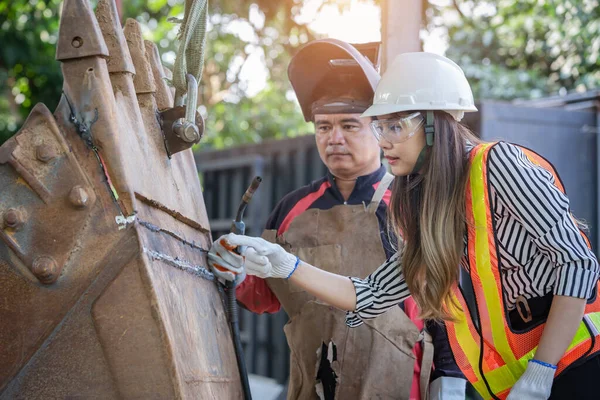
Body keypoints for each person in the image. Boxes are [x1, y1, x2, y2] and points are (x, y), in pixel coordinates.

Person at [209, 52, 600, 400]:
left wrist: (543, 369)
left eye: (395, 127)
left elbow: (578, 264)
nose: (384, 141)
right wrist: (287, 266)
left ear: (433, 125)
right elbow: (371, 294)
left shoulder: (499, 165)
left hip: (577, 365)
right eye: (380, 127)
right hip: (512, 383)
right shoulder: (421, 203)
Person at [210, 39, 428, 400]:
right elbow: (262, 296)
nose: (335, 139)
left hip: (399, 385)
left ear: (378, 128)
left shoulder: (411, 204)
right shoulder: (292, 209)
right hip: (310, 385)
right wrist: (233, 269)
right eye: (323, 127)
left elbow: (448, 306)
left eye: (349, 125)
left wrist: (447, 382)